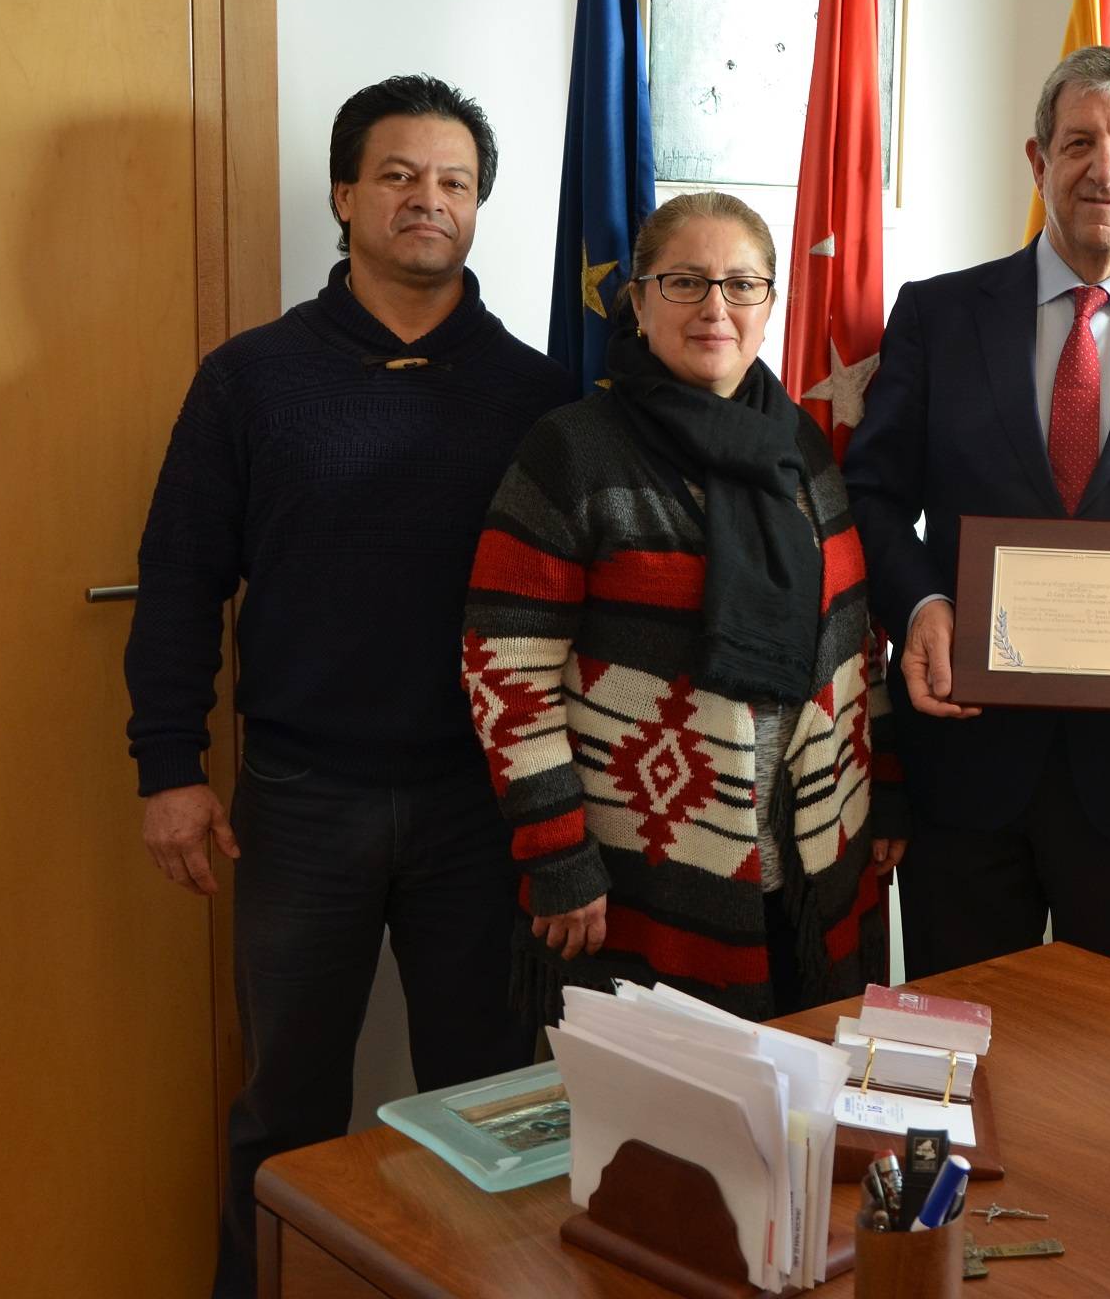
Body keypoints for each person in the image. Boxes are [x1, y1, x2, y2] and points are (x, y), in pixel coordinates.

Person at [124, 75, 571, 1298]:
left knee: (494, 1114)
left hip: (481, 816)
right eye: (399, 176)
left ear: (479, 207)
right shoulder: (250, 380)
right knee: (285, 1114)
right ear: (344, 193)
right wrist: (169, 767)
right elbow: (178, 582)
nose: (428, 201)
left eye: (455, 183)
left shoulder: (539, 399)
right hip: (300, 800)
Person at [843, 46, 1110, 979]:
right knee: (954, 1070)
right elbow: (873, 495)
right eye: (1078, 141)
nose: (1104, 168)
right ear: (1039, 161)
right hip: (964, 760)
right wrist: (923, 607)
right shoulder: (938, 314)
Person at [461, 192, 902, 1021]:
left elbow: (852, 635)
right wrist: (557, 854)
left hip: (813, 865)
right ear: (637, 298)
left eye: (742, 284)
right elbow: (506, 672)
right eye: (685, 281)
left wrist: (889, 790)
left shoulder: (804, 448)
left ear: (772, 302)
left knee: (796, 1123)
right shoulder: (573, 452)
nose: (715, 308)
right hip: (640, 874)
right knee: (659, 1136)